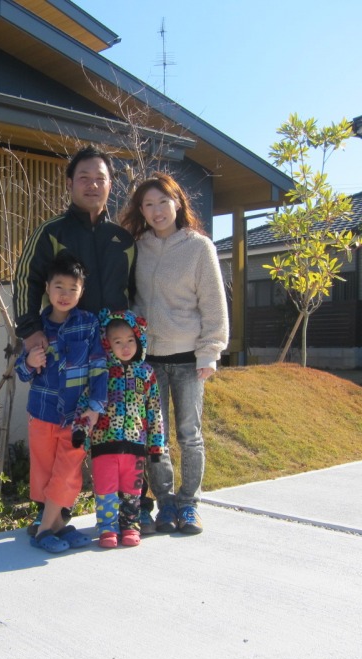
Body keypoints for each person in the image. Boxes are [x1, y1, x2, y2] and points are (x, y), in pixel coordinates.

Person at [14, 145, 135, 536]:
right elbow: (25, 283)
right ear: (70, 184)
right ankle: (48, 517)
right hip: (65, 352)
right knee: (55, 439)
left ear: (110, 185)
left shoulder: (124, 240)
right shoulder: (52, 233)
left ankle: (121, 515)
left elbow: (135, 293)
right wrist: (33, 333)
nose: (92, 184)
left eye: (100, 178)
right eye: (84, 177)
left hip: (112, 355)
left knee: (114, 433)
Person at [120, 173, 228, 535]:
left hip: (187, 359)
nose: (155, 211)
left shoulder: (199, 248)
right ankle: (165, 504)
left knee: (189, 434)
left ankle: (190, 504)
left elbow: (213, 305)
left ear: (178, 203)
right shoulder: (139, 246)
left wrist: (209, 352)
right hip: (149, 358)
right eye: (147, 205)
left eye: (162, 202)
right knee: (156, 437)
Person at [15, 255, 107, 553]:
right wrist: (30, 360)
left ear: (81, 291)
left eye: (73, 288)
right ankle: (56, 526)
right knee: (43, 470)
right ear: (47, 288)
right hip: (41, 412)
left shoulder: (89, 324)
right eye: (59, 286)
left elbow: (98, 365)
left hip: (77, 415)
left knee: (69, 470)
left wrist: (95, 406)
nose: (65, 294)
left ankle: (42, 531)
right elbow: (20, 370)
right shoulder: (37, 329)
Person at [73, 309, 165, 548]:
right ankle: (107, 527)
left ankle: (130, 526)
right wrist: (81, 434)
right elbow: (85, 402)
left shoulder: (146, 374)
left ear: (139, 340)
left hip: (135, 445)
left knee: (132, 491)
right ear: (107, 343)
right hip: (104, 443)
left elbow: (155, 410)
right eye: (118, 342)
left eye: (130, 340)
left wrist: (156, 445)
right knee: (105, 489)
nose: (125, 347)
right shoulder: (101, 372)